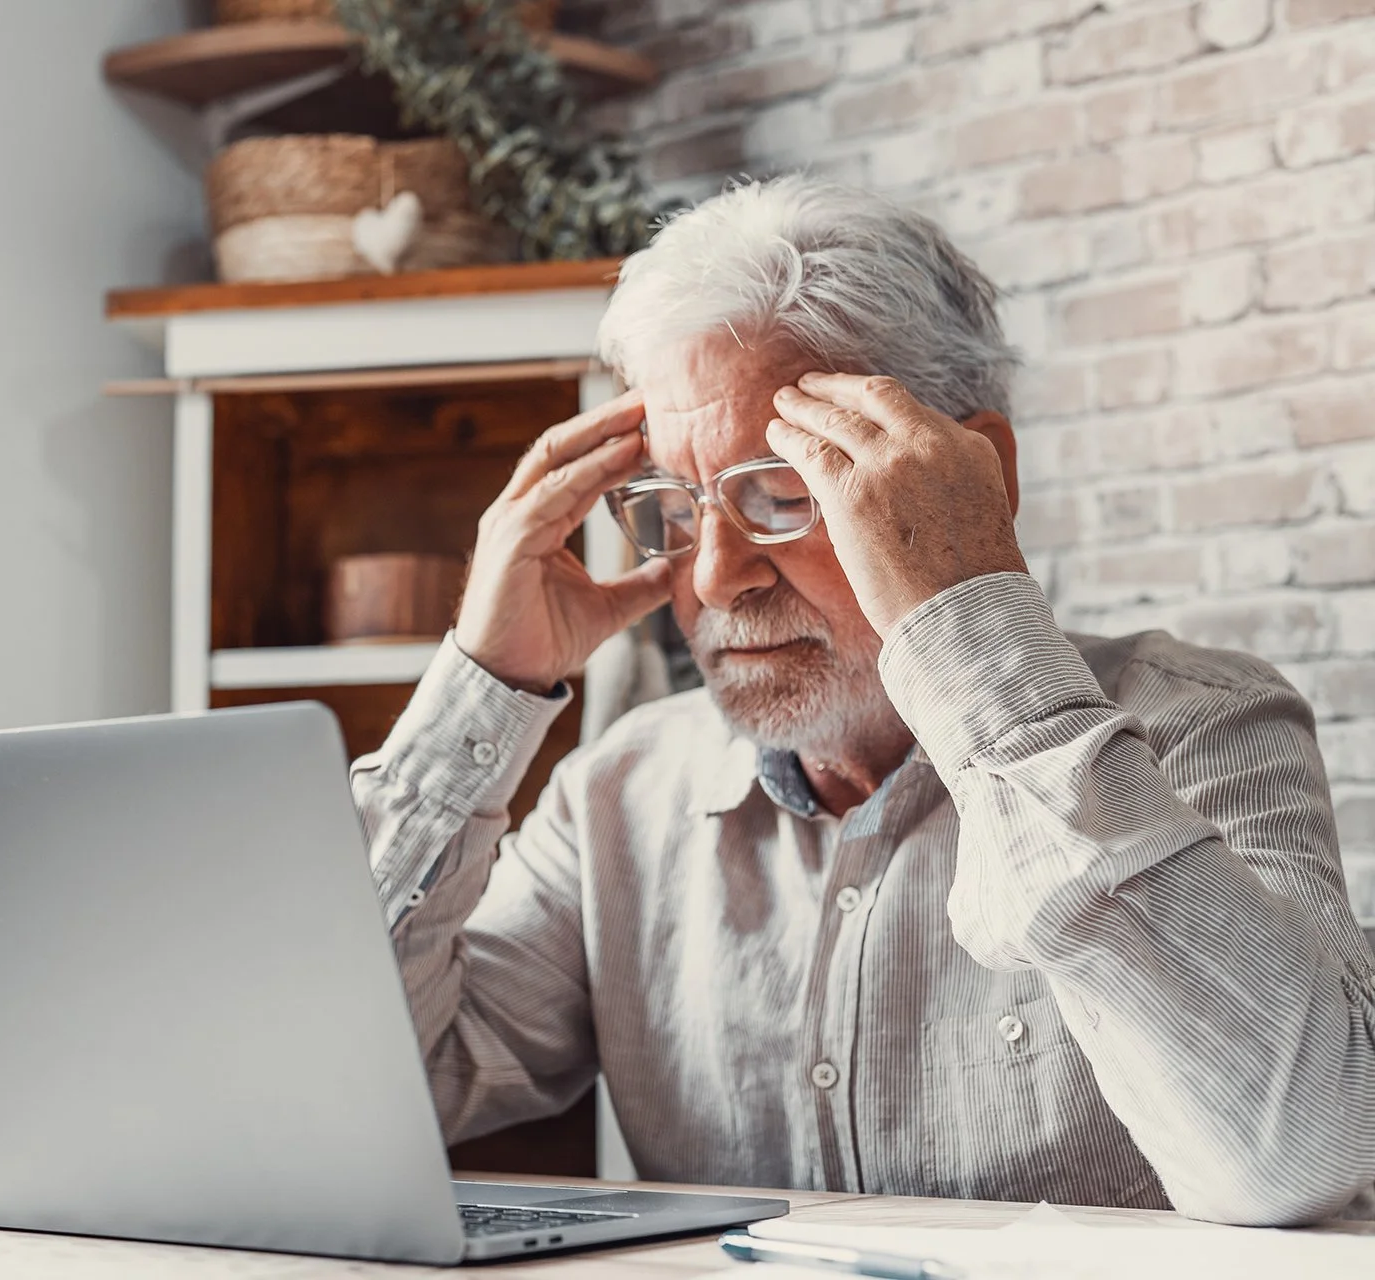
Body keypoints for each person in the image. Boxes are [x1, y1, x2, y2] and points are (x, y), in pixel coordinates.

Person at [351, 175, 1375, 1226]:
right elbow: (354, 1101)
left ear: (976, 477)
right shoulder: (617, 791)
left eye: (782, 492)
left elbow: (1296, 1155)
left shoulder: (1203, 729)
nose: (715, 577)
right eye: (673, 508)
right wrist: (487, 679)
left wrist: (969, 614)